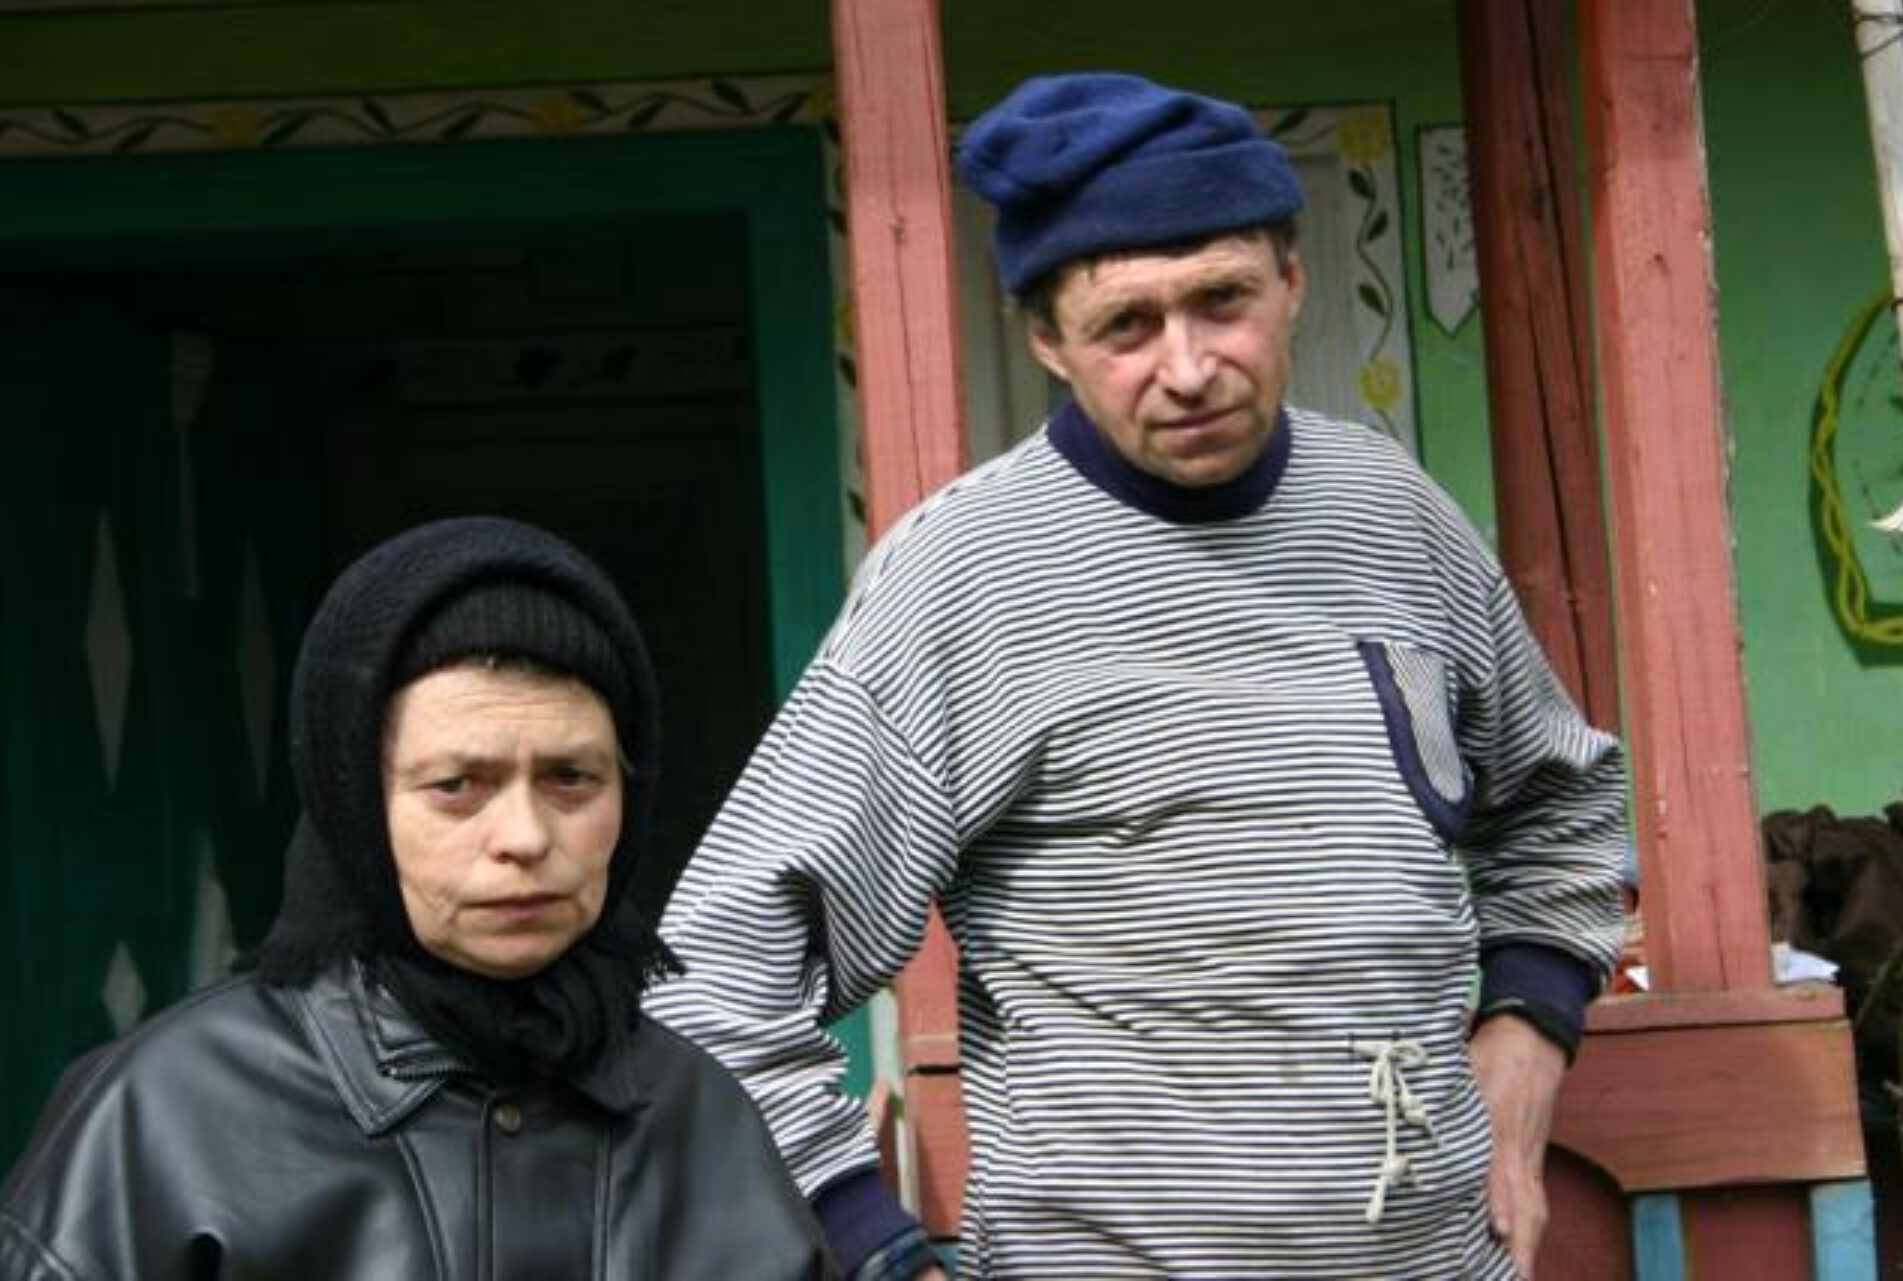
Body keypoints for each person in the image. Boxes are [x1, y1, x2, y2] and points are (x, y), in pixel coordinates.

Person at [644, 72, 1629, 1280]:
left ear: (1293, 281)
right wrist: (874, 1248)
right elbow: (717, 970)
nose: (1190, 366)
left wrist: (1526, 1036)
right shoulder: (967, 576)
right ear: (1047, 342)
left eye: (1223, 300)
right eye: (1127, 326)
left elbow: (1560, 805)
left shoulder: (1392, 515)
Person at [0, 517, 836, 1280]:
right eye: (458, 785)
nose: (525, 836)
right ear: (356, 806)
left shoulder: (698, 1116)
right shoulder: (161, 1119)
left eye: (572, 778)